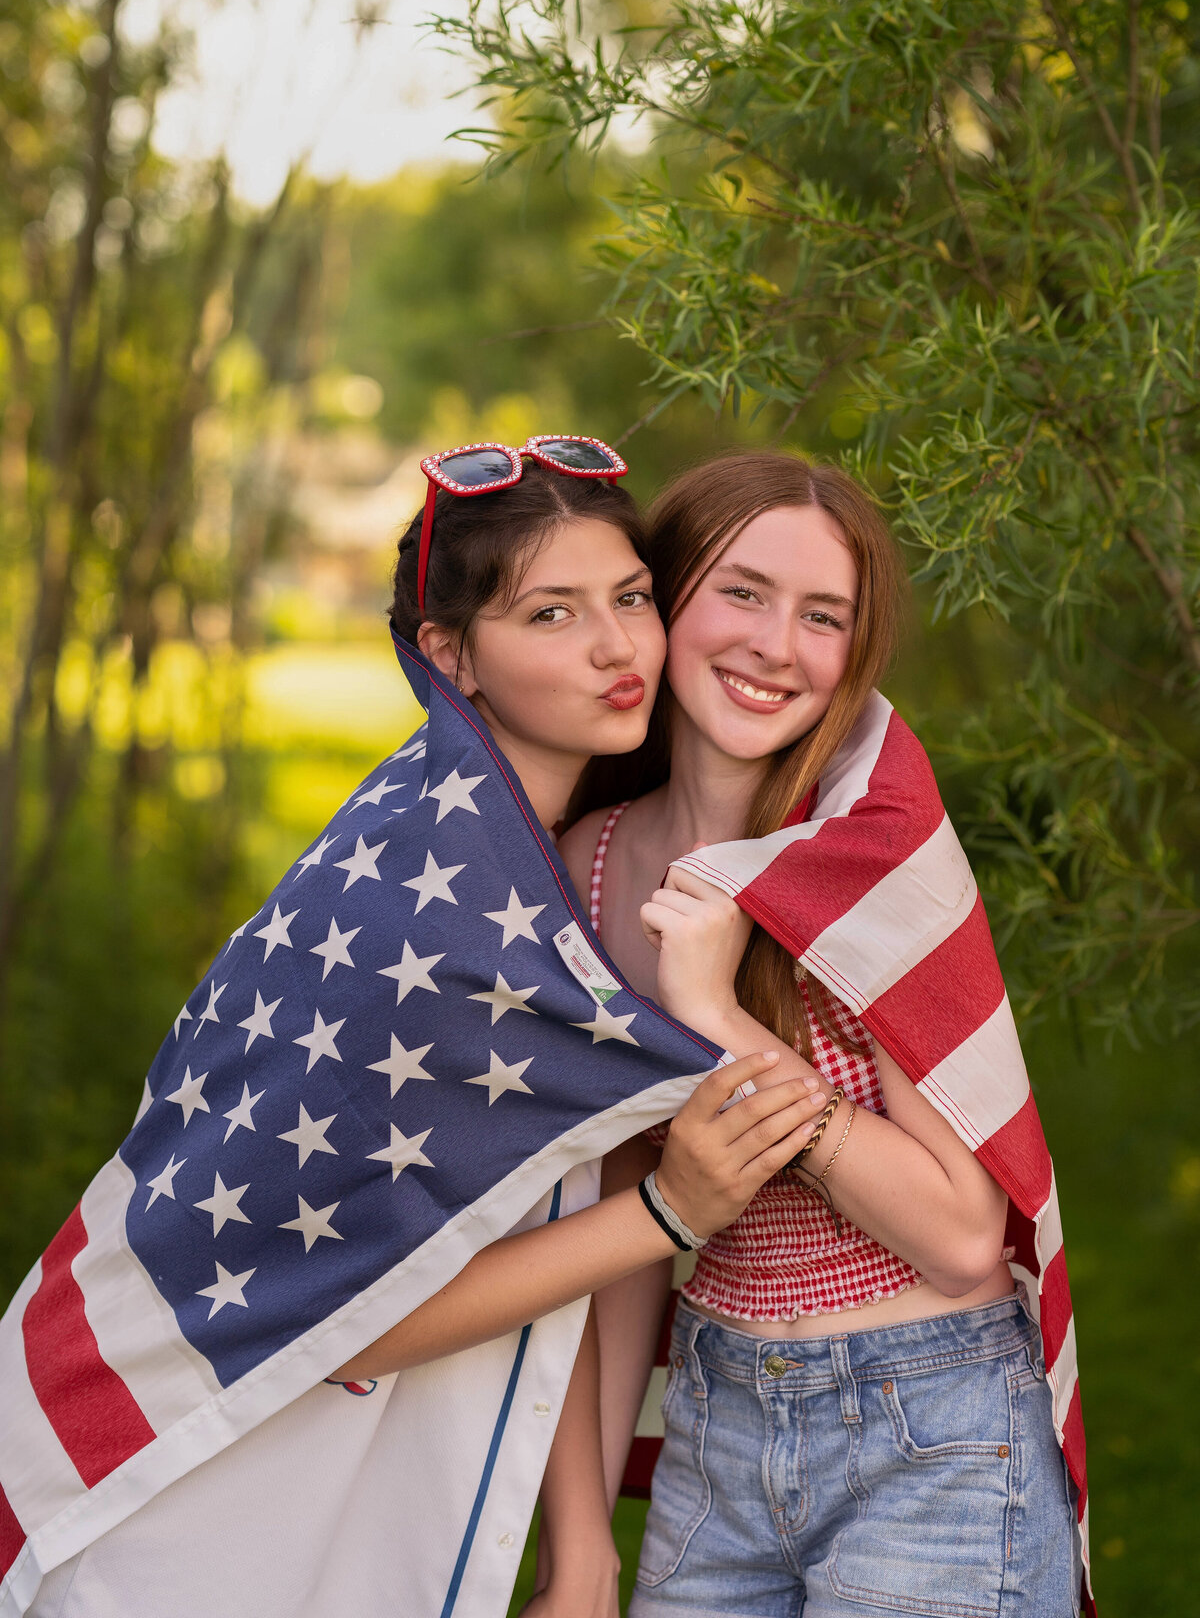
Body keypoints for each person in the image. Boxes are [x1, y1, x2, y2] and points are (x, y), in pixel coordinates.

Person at [4, 439, 822, 1618]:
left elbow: (528, 1190)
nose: (618, 647)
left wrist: (582, 1547)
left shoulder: (500, 858)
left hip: (327, 1492)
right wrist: (670, 1213)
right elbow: (351, 1317)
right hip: (187, 1505)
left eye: (631, 598)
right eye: (552, 615)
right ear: (451, 657)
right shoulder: (429, 908)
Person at [551, 451, 1085, 1616]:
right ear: (663, 598)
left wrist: (719, 1018)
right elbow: (628, 1221)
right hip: (715, 1424)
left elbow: (958, 1232)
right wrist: (581, 1546)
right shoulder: (586, 866)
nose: (777, 647)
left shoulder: (867, 852)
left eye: (823, 617)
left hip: (934, 1424)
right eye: (741, 592)